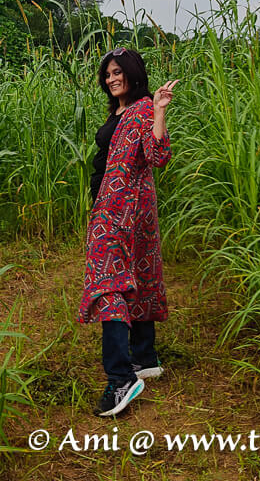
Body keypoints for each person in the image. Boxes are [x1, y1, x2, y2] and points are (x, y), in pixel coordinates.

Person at [79, 46, 177, 417]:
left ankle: (121, 378)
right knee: (138, 273)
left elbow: (157, 156)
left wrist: (159, 111)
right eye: (107, 74)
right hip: (118, 205)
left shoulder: (141, 109)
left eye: (117, 71)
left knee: (108, 283)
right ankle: (144, 357)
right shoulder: (121, 112)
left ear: (133, 73)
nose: (111, 79)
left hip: (122, 209)